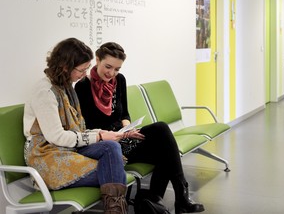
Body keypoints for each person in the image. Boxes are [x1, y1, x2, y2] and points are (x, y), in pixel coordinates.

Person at [75, 42, 205, 214]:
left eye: (117, 69)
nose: (111, 73)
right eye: (108, 66)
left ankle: (165, 198)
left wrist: (128, 129)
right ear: (97, 60)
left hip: (123, 136)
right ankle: (163, 200)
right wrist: (117, 135)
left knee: (161, 130)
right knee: (165, 152)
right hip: (107, 144)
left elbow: (124, 114)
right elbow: (88, 126)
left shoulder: (119, 80)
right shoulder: (83, 86)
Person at [23, 38, 129, 214]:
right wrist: (100, 136)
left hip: (68, 148)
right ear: (66, 66)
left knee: (112, 149)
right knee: (113, 170)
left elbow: (78, 129)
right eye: (82, 69)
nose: (85, 73)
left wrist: (102, 133)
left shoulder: (66, 88)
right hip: (47, 154)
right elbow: (56, 137)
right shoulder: (45, 92)